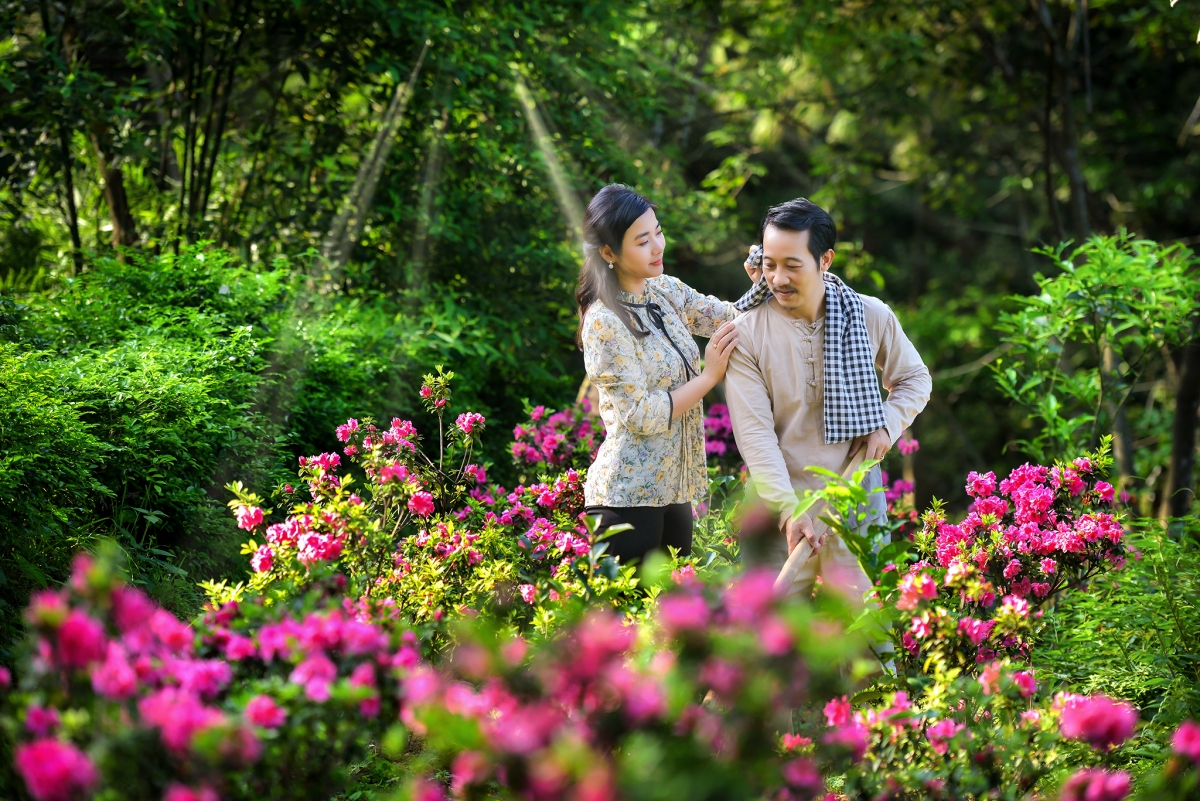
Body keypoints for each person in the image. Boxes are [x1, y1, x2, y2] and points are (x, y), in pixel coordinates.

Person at [725, 197, 931, 602]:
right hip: (775, 509)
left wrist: (888, 425)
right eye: (769, 264)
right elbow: (755, 435)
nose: (778, 278)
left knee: (868, 647)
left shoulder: (870, 315)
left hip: (855, 502)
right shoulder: (745, 332)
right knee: (770, 651)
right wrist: (788, 510)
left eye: (792, 265)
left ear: (825, 260)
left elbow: (913, 379)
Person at [578, 184, 769, 564]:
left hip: (675, 494)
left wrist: (764, 281)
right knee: (624, 623)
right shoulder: (604, 321)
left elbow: (726, 317)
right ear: (608, 252)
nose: (657, 246)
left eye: (658, 232)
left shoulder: (662, 290)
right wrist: (708, 377)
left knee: (673, 621)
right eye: (642, 240)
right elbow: (641, 415)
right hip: (626, 501)